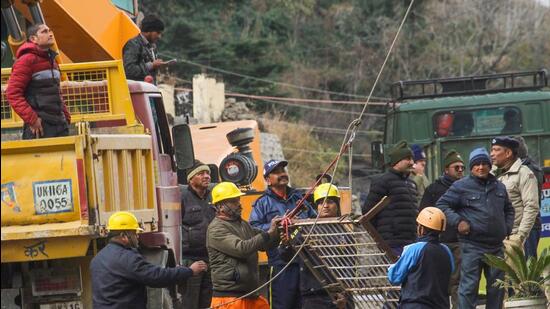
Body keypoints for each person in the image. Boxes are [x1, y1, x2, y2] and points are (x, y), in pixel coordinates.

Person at [436, 148, 514, 309]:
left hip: (496, 246)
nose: (481, 167)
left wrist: (507, 227)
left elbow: (509, 209)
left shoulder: (499, 187)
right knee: (469, 288)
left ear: (489, 165)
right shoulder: (460, 186)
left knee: (497, 288)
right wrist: (458, 222)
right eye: (476, 164)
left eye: (484, 163)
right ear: (471, 168)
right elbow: (442, 205)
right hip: (472, 245)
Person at [91, 211, 207, 309]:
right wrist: (190, 271)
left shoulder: (98, 258)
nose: (137, 237)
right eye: (134, 233)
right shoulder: (127, 258)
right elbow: (156, 277)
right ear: (123, 236)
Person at [249, 159, 317, 309]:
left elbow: (315, 220)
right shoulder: (262, 203)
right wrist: (277, 225)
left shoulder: (299, 198)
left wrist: (301, 223)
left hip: (305, 263)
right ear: (268, 180)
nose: (282, 174)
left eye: (283, 171)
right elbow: (253, 230)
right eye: (276, 172)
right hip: (280, 265)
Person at [208, 182, 281, 309]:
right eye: (234, 201)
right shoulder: (216, 229)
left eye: (238, 199)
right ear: (220, 206)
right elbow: (242, 249)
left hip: (250, 295)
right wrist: (268, 233)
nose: (239, 204)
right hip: (229, 299)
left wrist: (279, 233)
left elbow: (264, 243)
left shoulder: (242, 224)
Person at [279, 184, 348, 309]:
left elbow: (350, 265)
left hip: (339, 295)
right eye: (321, 203)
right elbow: (285, 256)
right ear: (317, 206)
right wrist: (285, 244)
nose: (325, 206)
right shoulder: (305, 230)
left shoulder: (345, 232)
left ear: (337, 204)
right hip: (312, 295)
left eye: (330, 202)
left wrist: (345, 293)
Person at [6, 23, 71, 139]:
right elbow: (12, 93)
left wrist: (66, 116)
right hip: (40, 127)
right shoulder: (26, 61)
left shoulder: (52, 60)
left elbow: (56, 91)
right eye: (44, 32)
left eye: (50, 31)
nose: (50, 34)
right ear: (33, 39)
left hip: (60, 124)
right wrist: (32, 119)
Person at [419, 149, 464, 308]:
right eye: (456, 167)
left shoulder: (466, 187)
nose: (460, 170)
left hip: (459, 242)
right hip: (439, 243)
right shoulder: (433, 189)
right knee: (439, 282)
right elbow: (424, 214)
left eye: (462, 167)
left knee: (458, 283)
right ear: (446, 169)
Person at [388, 207, 454, 308]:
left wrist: (391, 267)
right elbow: (450, 273)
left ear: (421, 229)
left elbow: (394, 277)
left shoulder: (414, 249)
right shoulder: (446, 251)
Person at [362, 140, 418, 256]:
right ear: (397, 161)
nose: (412, 162)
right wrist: (383, 237)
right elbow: (368, 213)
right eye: (408, 158)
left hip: (411, 243)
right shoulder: (383, 181)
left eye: (412, 159)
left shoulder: (412, 184)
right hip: (392, 244)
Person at [490, 136, 539, 254]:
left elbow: (531, 206)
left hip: (512, 238)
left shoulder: (524, 174)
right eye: (492, 150)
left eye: (496, 150)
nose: (492, 154)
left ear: (508, 153)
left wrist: (520, 236)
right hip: (492, 240)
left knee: (512, 273)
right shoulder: (491, 175)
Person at [180, 160, 216, 309]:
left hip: (211, 259)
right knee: (190, 303)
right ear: (190, 178)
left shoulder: (213, 196)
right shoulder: (181, 197)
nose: (206, 176)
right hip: (191, 260)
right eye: (201, 173)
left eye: (208, 173)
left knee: (208, 303)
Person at [514, 136, 544, 258]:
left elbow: (530, 205)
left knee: (527, 267)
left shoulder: (529, 170)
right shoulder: (532, 168)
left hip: (527, 225)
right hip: (525, 224)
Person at [122, 14, 169, 84]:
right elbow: (129, 70)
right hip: (137, 91)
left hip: (149, 90)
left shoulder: (152, 47)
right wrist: (152, 65)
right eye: (158, 33)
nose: (159, 36)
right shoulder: (133, 44)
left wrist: (158, 66)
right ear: (149, 30)